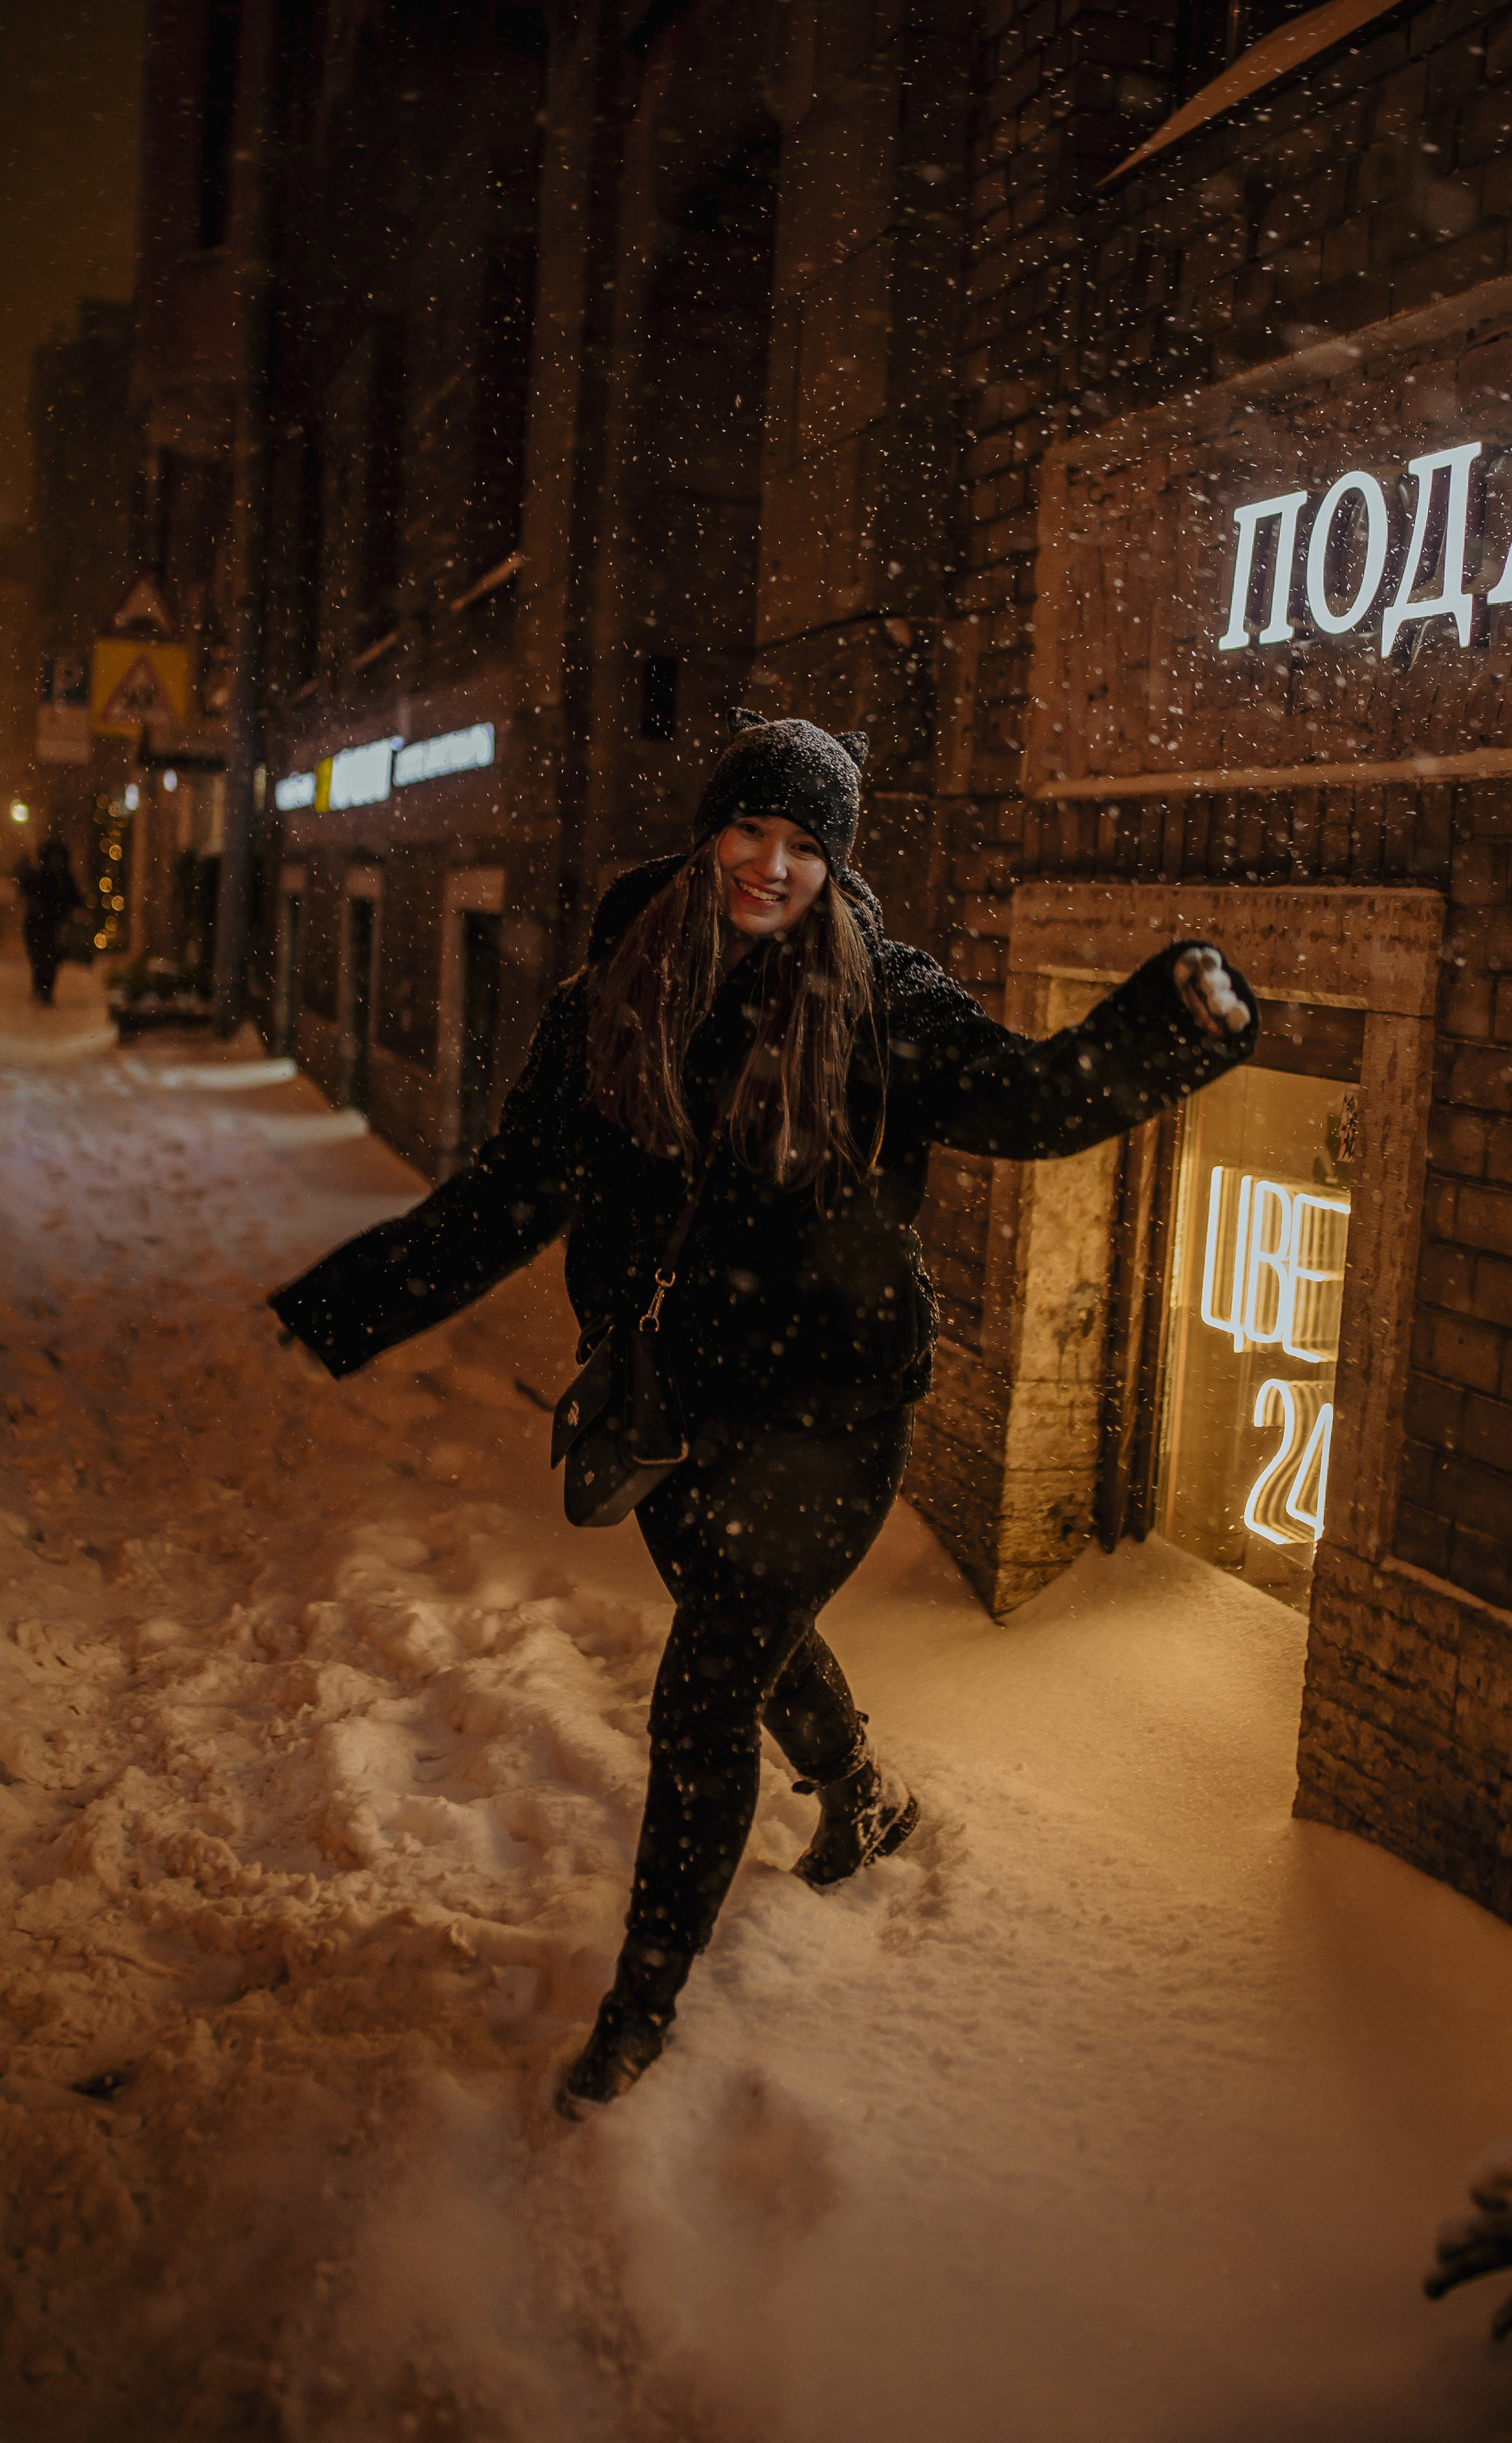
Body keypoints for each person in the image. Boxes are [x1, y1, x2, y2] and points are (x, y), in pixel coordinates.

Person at [268, 713, 1257, 2113]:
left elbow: (1030, 1103)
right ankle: (858, 1787)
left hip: (832, 1405)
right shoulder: (614, 994)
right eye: (751, 832)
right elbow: (510, 1193)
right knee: (741, 1634)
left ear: (833, 863)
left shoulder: (883, 1001)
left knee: (703, 1693)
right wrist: (342, 1309)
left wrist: (1166, 1024)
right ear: (705, 834)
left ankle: (643, 2001)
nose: (771, 867)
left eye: (805, 846)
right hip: (668, 1399)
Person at [16, 835, 83, 1007]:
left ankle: (46, 990)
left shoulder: (65, 879)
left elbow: (76, 899)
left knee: (52, 960)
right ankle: (40, 986)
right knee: (38, 958)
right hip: (37, 925)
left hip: (56, 927)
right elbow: (26, 890)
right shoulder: (40, 876)